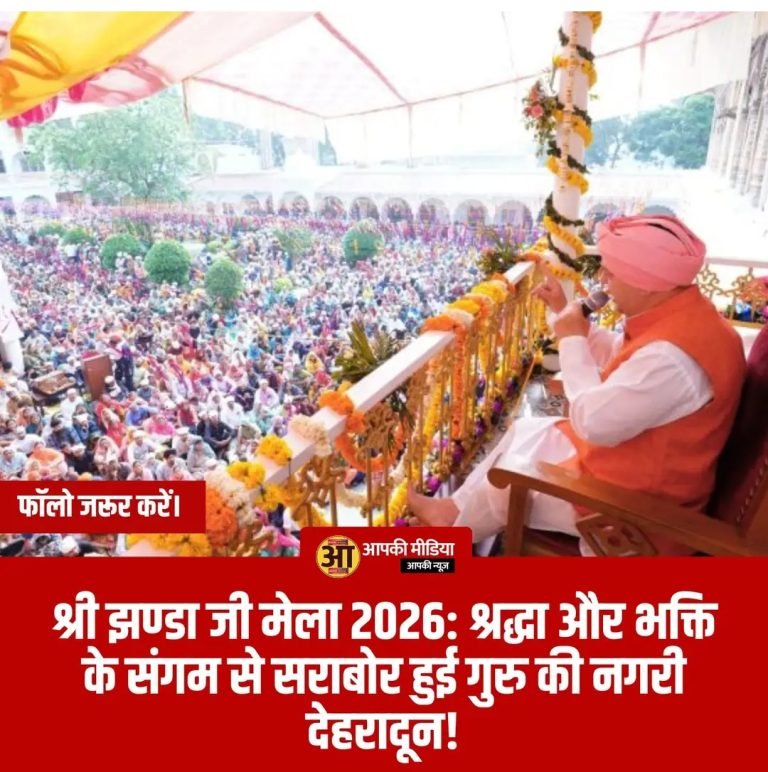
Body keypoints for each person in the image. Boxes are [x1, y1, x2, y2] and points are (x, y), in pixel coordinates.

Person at [408, 215, 747, 555]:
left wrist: (571, 340)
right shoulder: (684, 317)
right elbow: (621, 355)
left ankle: (445, 548)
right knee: (529, 428)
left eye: (610, 272)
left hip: (640, 509)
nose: (602, 280)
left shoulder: (672, 359)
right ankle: (451, 511)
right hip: (633, 463)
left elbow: (592, 424)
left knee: (505, 486)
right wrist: (563, 313)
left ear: (646, 283)